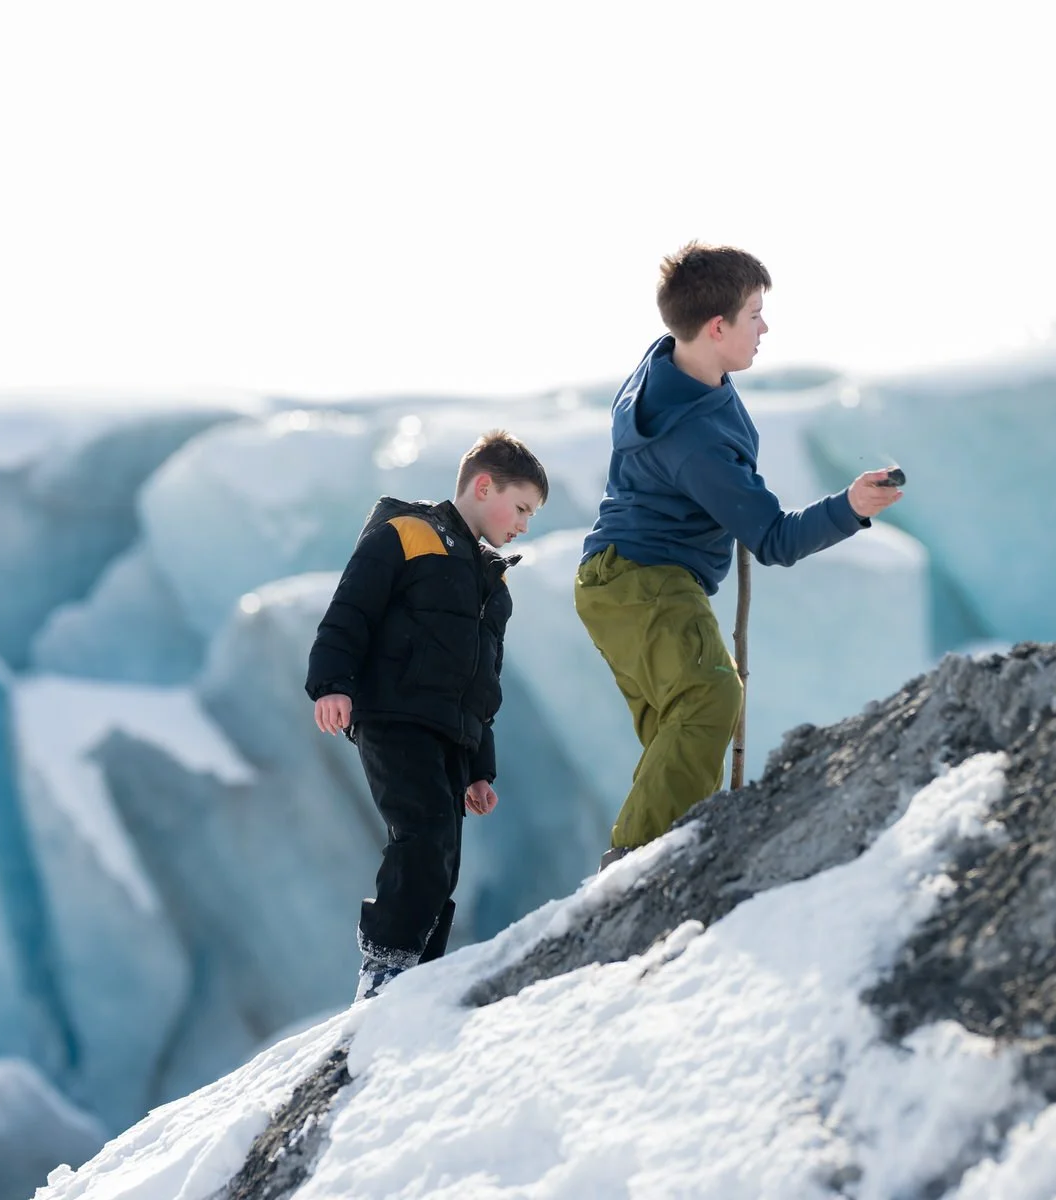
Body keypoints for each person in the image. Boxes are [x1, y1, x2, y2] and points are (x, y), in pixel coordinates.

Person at [576, 242, 903, 870]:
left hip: (617, 580)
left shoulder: (669, 362)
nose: (765, 327)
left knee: (679, 731)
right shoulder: (692, 437)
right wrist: (852, 506)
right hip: (647, 581)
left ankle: (668, 853)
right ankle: (636, 864)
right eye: (754, 314)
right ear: (716, 327)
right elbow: (773, 540)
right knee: (710, 697)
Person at [306, 429, 548, 1001]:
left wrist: (479, 767)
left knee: (444, 858)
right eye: (520, 508)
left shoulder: (493, 580)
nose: (523, 525)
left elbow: (484, 681)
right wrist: (332, 685)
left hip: (450, 734)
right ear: (483, 485)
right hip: (392, 714)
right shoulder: (407, 534)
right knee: (421, 835)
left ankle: (415, 978)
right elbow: (350, 611)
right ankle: (385, 968)